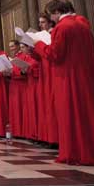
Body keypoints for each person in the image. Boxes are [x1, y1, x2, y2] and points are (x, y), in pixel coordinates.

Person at [34, 0, 94, 167]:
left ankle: (79, 152)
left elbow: (55, 55)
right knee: (90, 113)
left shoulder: (62, 28)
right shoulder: (82, 24)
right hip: (87, 77)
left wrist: (38, 44)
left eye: (51, 15)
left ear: (56, 12)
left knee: (73, 113)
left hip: (69, 78)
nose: (51, 19)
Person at [34, 13, 58, 146]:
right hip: (44, 71)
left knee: (52, 105)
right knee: (45, 105)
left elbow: (52, 53)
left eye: (43, 22)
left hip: (53, 72)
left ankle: (55, 138)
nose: (40, 25)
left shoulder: (54, 34)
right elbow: (39, 57)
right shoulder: (41, 36)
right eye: (40, 22)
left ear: (50, 22)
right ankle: (47, 137)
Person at [17, 42, 40, 141]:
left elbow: (39, 70)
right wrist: (23, 71)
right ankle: (33, 134)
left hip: (36, 85)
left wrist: (29, 70)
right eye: (21, 47)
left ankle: (38, 134)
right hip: (29, 85)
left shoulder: (34, 57)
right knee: (31, 110)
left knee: (36, 110)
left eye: (23, 47)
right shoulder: (24, 58)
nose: (22, 50)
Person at [8, 40, 27, 139]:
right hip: (13, 84)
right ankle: (16, 131)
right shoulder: (13, 58)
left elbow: (24, 71)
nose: (11, 49)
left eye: (12, 46)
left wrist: (17, 73)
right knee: (15, 109)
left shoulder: (23, 56)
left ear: (17, 46)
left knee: (21, 108)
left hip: (21, 85)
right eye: (10, 47)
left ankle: (22, 132)